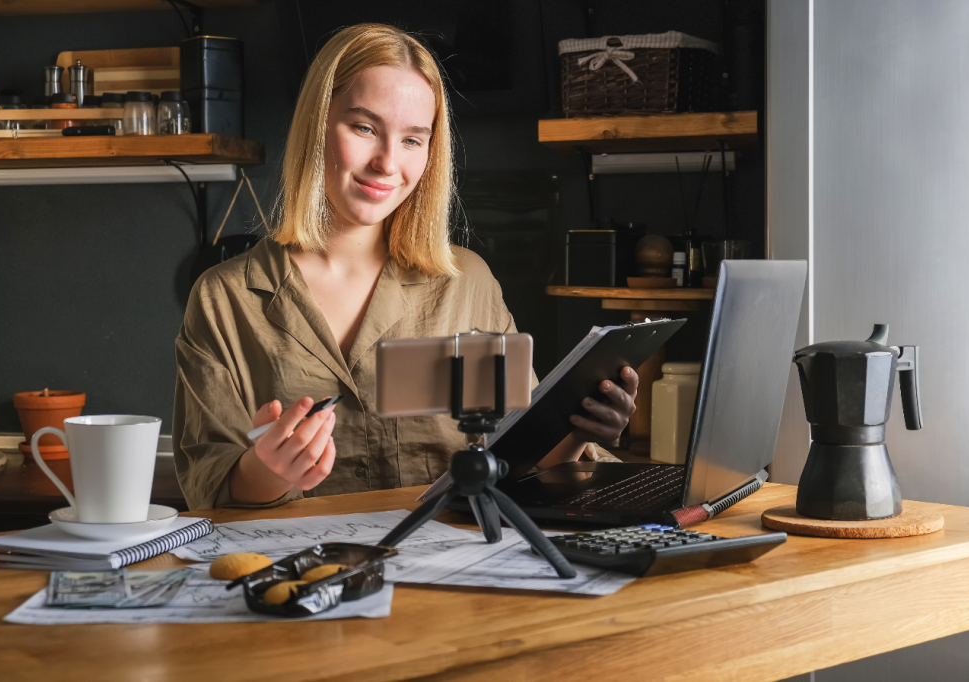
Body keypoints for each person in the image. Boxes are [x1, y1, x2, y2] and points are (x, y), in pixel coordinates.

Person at [172, 23, 638, 510]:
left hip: (456, 568)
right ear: (316, 124)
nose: (387, 163)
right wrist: (268, 470)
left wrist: (577, 428)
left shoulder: (467, 282)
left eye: (413, 140)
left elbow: (524, 457)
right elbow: (209, 482)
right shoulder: (223, 297)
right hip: (310, 574)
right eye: (365, 128)